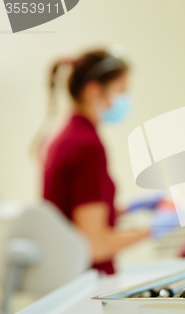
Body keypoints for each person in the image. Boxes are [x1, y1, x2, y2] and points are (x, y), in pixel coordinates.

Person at [37, 48, 161, 275]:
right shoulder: (86, 146)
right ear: (94, 90)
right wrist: (156, 229)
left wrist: (127, 209)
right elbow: (94, 245)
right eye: (121, 91)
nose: (125, 101)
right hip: (85, 281)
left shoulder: (66, 137)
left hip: (68, 275)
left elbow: (75, 213)